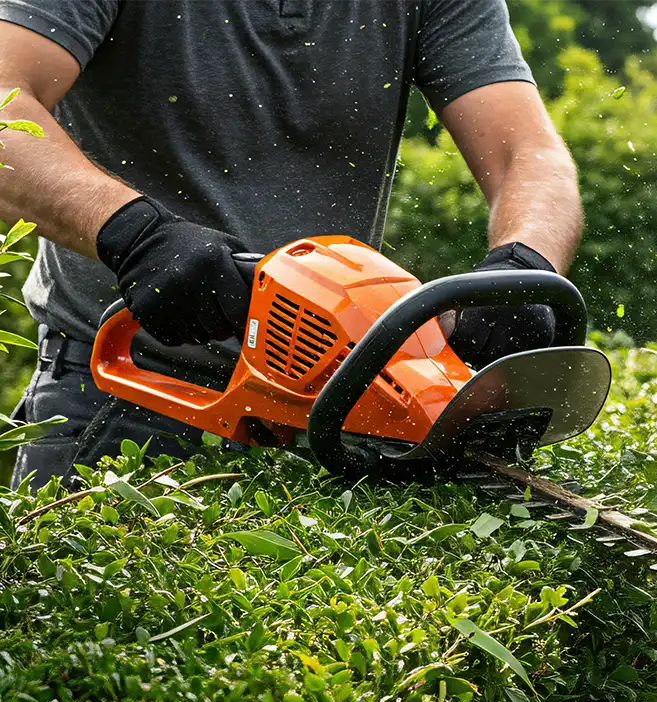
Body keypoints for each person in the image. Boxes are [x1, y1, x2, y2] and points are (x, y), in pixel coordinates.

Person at [0, 1, 583, 489]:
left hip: (340, 403)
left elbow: (527, 154)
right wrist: (135, 233)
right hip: (131, 389)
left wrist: (523, 266)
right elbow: (4, 101)